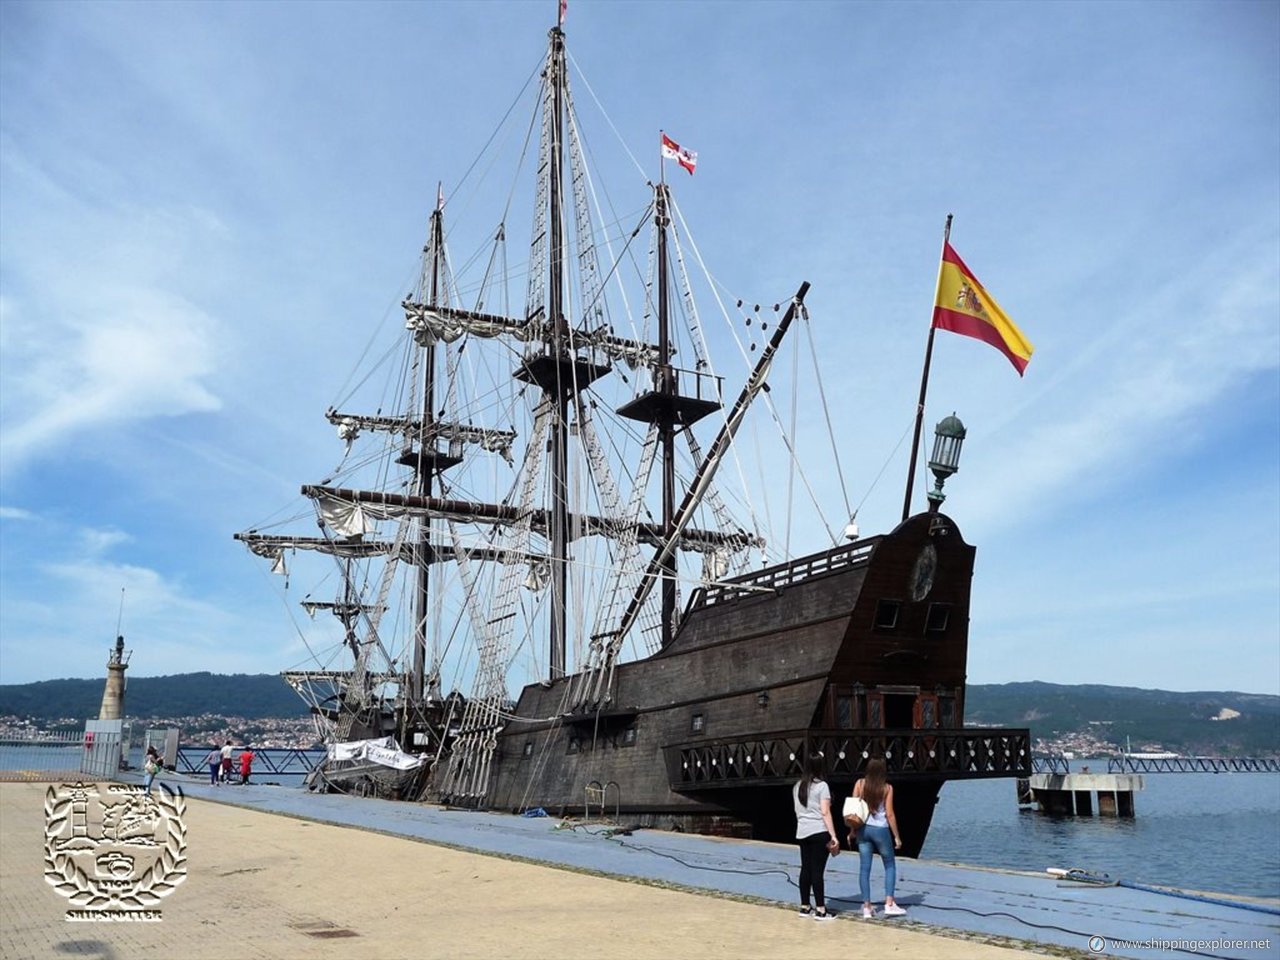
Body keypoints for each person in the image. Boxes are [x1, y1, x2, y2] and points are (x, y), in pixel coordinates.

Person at [853, 757, 906, 919]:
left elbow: (853, 809)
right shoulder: (887, 788)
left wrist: (852, 830)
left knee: (864, 868)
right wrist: (897, 836)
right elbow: (889, 814)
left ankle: (867, 907)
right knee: (889, 864)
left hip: (863, 829)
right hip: (881, 829)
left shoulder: (860, 784)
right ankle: (889, 903)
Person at [792, 753, 839, 920]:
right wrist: (833, 835)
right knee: (817, 871)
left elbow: (797, 811)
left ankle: (805, 906)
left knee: (806, 868)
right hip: (819, 831)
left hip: (802, 831)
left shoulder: (798, 786)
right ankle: (821, 909)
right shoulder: (822, 786)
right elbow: (825, 812)